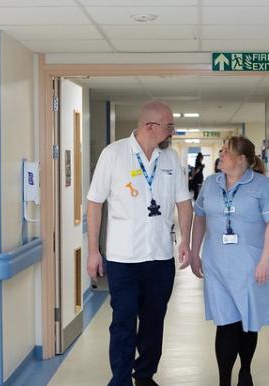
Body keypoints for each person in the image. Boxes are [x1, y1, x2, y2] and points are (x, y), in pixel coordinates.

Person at [86, 100, 193, 386]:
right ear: (150, 126)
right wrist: (93, 250)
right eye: (169, 126)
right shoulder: (114, 154)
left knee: (153, 322)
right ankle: (120, 380)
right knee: (123, 322)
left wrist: (187, 242)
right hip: (123, 259)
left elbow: (184, 203)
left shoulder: (170, 160)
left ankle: (144, 376)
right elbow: (94, 203)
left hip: (160, 257)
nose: (173, 131)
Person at [189, 135, 269, 386]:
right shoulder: (211, 183)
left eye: (226, 152)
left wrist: (265, 259)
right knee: (225, 323)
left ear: (242, 159)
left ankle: (245, 369)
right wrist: (194, 252)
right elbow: (199, 218)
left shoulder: (262, 185)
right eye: (220, 151)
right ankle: (224, 381)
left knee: (247, 321)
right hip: (216, 263)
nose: (220, 155)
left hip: (250, 264)